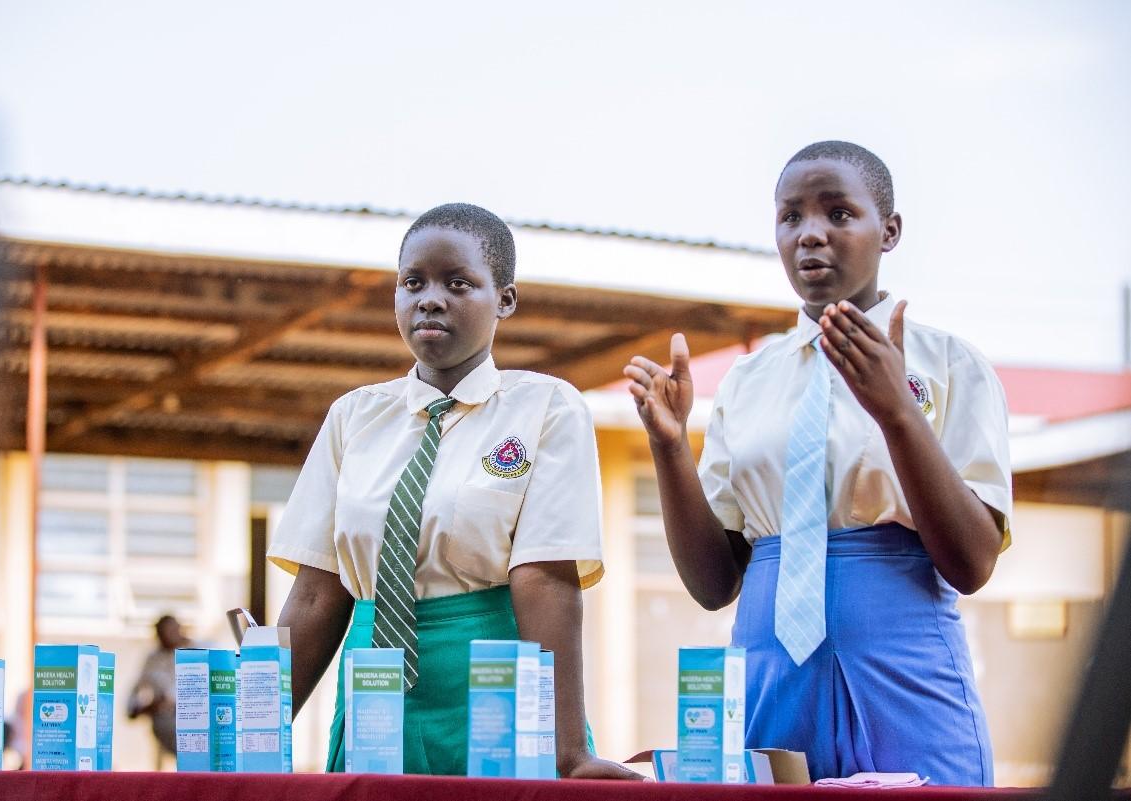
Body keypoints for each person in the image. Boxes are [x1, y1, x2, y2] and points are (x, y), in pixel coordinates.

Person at [624, 141, 1010, 785]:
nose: (810, 235)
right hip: (771, 670)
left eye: (838, 213)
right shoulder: (748, 382)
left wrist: (897, 413)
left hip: (903, 665)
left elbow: (971, 565)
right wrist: (669, 448)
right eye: (790, 217)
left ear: (889, 232)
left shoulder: (950, 366)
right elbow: (715, 585)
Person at [269, 203, 641, 779]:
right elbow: (319, 594)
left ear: (506, 300)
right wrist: (250, 736)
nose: (431, 298)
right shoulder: (354, 417)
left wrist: (568, 753)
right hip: (373, 690)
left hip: (494, 688)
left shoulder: (546, 406)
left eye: (458, 283)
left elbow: (546, 579)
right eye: (412, 282)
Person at [127, 614, 192, 766]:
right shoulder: (153, 659)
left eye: (173, 630)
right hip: (164, 718)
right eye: (165, 632)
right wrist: (143, 707)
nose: (170, 635)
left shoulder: (197, 652)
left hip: (192, 714)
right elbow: (137, 690)